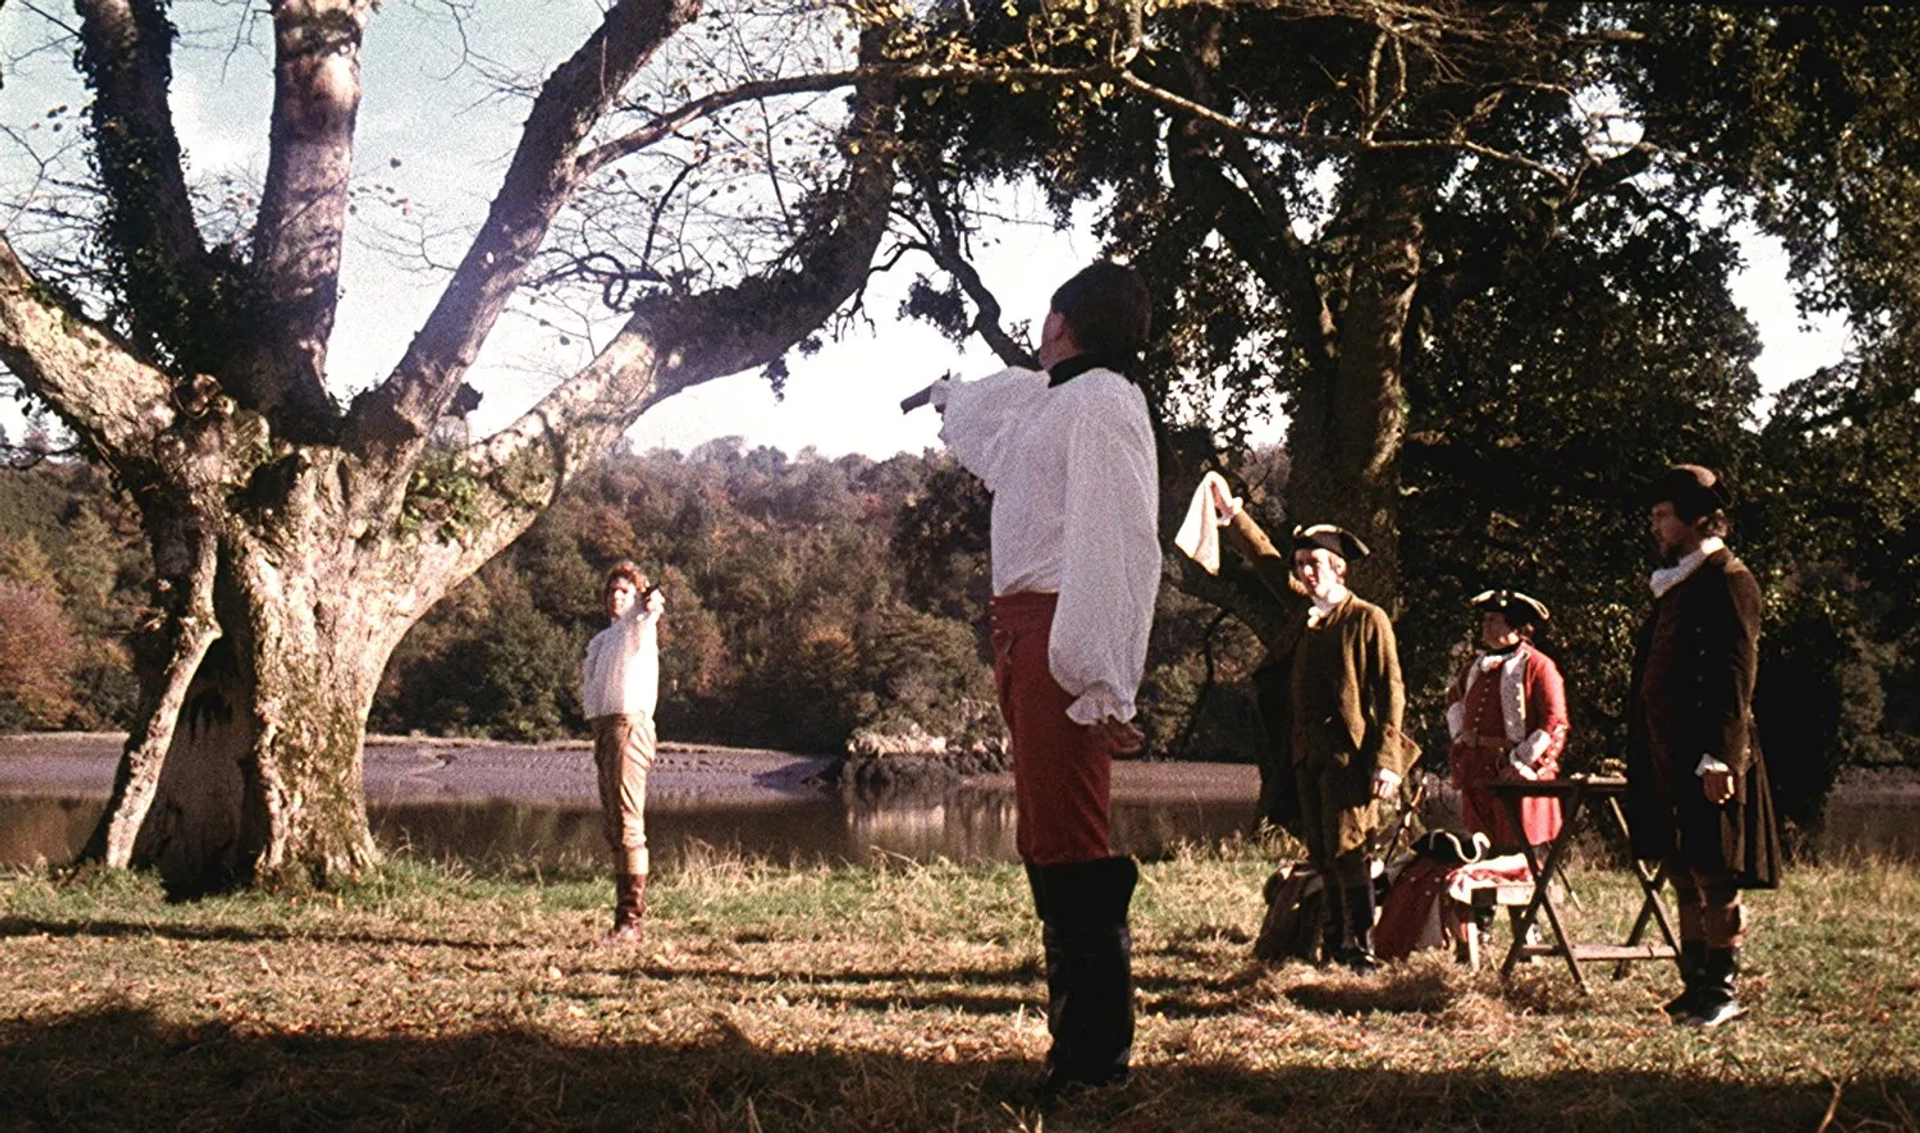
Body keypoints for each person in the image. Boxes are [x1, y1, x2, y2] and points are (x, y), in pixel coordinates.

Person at [923, 260, 1159, 1099]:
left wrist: (1100, 675)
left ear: (1062, 320)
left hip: (1062, 627)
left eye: (1045, 312)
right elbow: (1005, 406)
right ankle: (1082, 1050)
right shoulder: (1058, 397)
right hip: (1025, 625)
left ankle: (1095, 1062)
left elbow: (1118, 542)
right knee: (1045, 833)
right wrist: (949, 394)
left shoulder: (1102, 405)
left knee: (1068, 837)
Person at [1203, 478, 1415, 974]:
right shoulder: (1305, 612)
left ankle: (1362, 951)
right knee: (1321, 852)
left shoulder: (1367, 619)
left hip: (1350, 759)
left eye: (1316, 563)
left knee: (1350, 852)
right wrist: (1235, 518)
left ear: (1338, 568)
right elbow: (1269, 564)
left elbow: (1392, 691)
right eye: (1303, 565)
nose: (1307, 572)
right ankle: (1336, 944)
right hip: (1305, 756)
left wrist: (1387, 763)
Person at [1624, 464, 1781, 1027]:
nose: (1655, 526)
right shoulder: (1677, 583)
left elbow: (1736, 677)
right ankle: (1694, 985)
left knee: (1717, 874)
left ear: (1695, 519)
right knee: (1684, 871)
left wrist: (1721, 755)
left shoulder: (1729, 579)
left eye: (1664, 516)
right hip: (1667, 754)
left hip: (1709, 755)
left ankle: (1723, 988)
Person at [581, 560, 666, 943]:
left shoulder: (638, 628)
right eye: (612, 590)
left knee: (629, 824)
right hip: (605, 729)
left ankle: (631, 921)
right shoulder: (604, 639)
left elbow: (649, 615)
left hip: (628, 727)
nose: (617, 596)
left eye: (625, 591)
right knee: (614, 825)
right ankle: (623, 918)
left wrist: (649, 605)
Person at [1445, 589, 1568, 852]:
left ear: (1517, 628)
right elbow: (1454, 700)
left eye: (1493, 620)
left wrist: (1523, 762)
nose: (1485, 626)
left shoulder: (1538, 666)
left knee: (1517, 849)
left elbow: (1555, 721)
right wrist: (1461, 739)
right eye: (1485, 619)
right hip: (1477, 771)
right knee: (1479, 849)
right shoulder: (1476, 666)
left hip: (1512, 773)